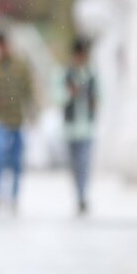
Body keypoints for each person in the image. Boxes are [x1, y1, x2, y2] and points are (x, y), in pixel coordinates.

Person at [0, 33, 35, 212]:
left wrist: (32, 113)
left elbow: (29, 89)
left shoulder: (21, 65)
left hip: (17, 119)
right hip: (0, 119)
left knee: (16, 160)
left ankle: (14, 196)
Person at [63, 37, 96, 213]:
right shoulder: (66, 73)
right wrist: (69, 94)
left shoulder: (91, 73)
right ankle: (78, 193)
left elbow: (98, 96)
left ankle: (82, 195)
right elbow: (58, 97)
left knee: (84, 163)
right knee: (75, 165)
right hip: (70, 128)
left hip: (87, 128)